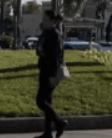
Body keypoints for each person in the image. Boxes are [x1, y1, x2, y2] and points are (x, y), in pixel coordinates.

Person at [35, 9, 67, 138]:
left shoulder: (55, 35)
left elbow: (56, 56)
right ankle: (48, 133)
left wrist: (53, 75)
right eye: (42, 19)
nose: (43, 22)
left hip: (50, 71)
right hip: (43, 70)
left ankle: (59, 122)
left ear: (53, 22)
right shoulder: (46, 34)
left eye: (45, 20)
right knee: (47, 100)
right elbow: (39, 50)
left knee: (40, 101)